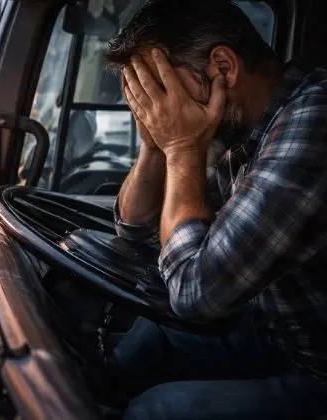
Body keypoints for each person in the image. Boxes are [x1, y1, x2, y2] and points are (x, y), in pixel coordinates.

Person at [106, 1, 327, 418]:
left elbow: (195, 292)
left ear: (223, 67)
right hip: (271, 335)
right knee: (148, 340)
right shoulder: (242, 130)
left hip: (316, 368)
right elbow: (134, 234)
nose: (158, 107)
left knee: (156, 412)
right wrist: (156, 145)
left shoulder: (313, 120)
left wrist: (181, 147)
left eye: (162, 89)